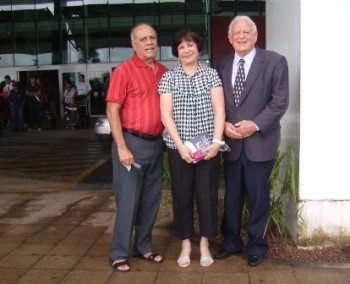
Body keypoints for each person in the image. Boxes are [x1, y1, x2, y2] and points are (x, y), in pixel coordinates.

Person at [214, 15, 289, 267]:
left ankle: (256, 246)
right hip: (232, 144)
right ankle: (231, 243)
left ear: (256, 36)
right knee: (232, 197)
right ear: (229, 38)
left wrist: (254, 125)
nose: (242, 36)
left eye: (247, 32)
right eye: (237, 33)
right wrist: (222, 125)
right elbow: (217, 104)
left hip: (260, 143)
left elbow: (279, 102)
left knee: (258, 198)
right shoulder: (221, 66)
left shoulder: (275, 62)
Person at [158, 29, 225, 268]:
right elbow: (166, 116)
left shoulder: (211, 75)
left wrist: (217, 142)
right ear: (176, 52)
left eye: (190, 45)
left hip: (207, 147)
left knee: (206, 196)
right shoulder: (168, 78)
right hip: (179, 149)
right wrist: (179, 146)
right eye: (181, 46)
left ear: (198, 48)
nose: (186, 50)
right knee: (182, 195)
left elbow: (219, 111)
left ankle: (205, 243)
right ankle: (186, 243)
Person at [105, 22, 168, 272]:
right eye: (143, 39)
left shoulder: (164, 71)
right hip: (131, 143)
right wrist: (121, 147)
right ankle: (118, 252)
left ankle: (143, 246)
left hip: (156, 144)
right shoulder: (124, 70)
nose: (149, 42)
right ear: (133, 44)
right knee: (128, 201)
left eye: (153, 37)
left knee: (151, 200)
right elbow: (112, 110)